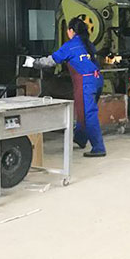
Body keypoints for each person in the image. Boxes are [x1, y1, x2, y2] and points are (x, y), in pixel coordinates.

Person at [25, 17, 106, 157]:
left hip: (86, 82)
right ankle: (80, 138)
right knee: (83, 111)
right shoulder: (88, 43)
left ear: (71, 31)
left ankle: (98, 148)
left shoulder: (70, 46)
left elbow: (52, 61)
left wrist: (34, 63)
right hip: (97, 79)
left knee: (88, 114)